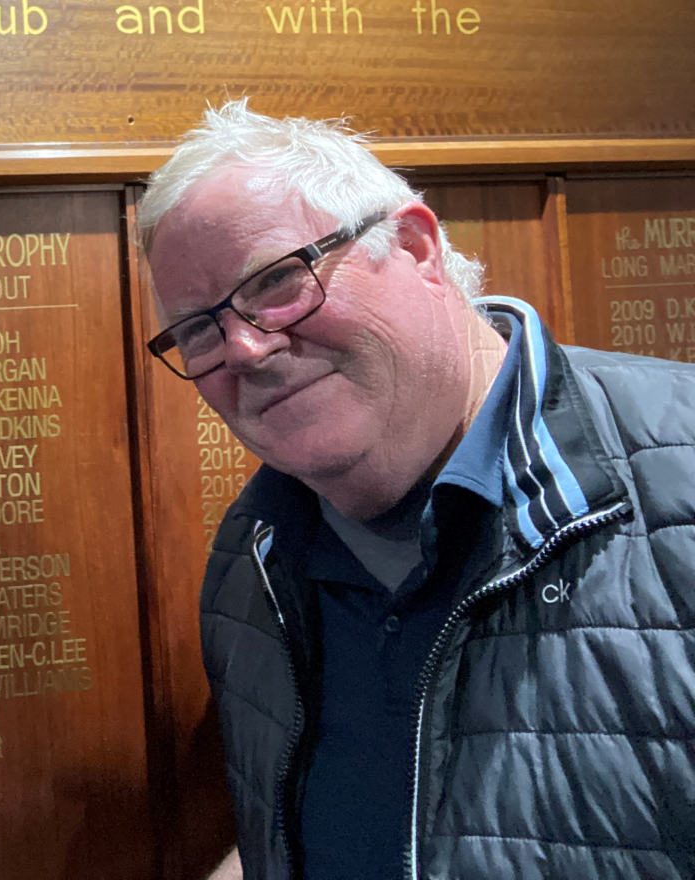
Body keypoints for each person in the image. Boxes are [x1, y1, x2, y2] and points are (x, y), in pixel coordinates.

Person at [138, 102, 695, 880]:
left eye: (276, 282)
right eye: (198, 328)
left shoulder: (679, 483)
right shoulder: (253, 558)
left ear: (416, 246)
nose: (246, 346)